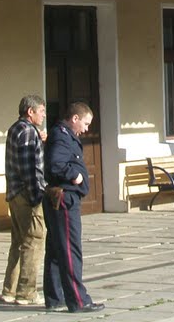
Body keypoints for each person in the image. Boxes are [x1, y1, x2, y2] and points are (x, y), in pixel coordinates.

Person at [43, 101, 104, 313]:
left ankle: (55, 297)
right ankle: (78, 300)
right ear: (75, 118)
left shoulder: (64, 134)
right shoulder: (62, 135)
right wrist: (75, 175)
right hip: (65, 199)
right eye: (85, 123)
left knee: (56, 250)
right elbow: (55, 163)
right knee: (70, 250)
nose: (87, 129)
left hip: (59, 199)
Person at [2, 94, 48, 305]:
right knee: (34, 240)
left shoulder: (16, 128)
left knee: (18, 242)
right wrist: (36, 195)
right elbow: (28, 168)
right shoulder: (29, 131)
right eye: (42, 111)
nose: (44, 115)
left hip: (13, 192)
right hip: (26, 193)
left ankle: (9, 290)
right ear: (30, 112)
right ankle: (27, 292)